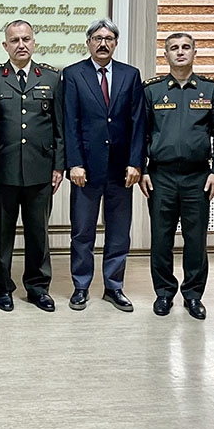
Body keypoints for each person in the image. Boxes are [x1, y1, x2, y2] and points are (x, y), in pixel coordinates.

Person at [140, 32, 214, 320]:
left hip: (198, 176)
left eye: (186, 47)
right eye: (174, 48)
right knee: (161, 240)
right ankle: (164, 293)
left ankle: (193, 295)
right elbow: (141, 133)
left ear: (194, 53)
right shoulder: (152, 90)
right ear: (165, 55)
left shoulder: (211, 90)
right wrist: (142, 169)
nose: (180, 52)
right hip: (161, 176)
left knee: (196, 240)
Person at [63, 18, 145, 312]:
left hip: (121, 170)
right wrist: (74, 163)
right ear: (88, 43)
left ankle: (114, 286)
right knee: (82, 232)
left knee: (119, 232)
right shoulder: (73, 74)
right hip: (85, 169)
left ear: (116, 43)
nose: (103, 43)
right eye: (97, 38)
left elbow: (138, 122)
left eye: (108, 39)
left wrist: (136, 162)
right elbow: (70, 122)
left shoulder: (130, 75)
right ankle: (81, 286)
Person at [0, 20, 64, 313]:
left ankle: (38, 288)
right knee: (1, 234)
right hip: (2, 171)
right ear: (5, 46)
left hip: (39, 169)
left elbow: (59, 128)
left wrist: (59, 166)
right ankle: (2, 288)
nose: (21, 44)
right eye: (15, 40)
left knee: (38, 233)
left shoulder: (52, 78)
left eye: (26, 39)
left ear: (34, 42)